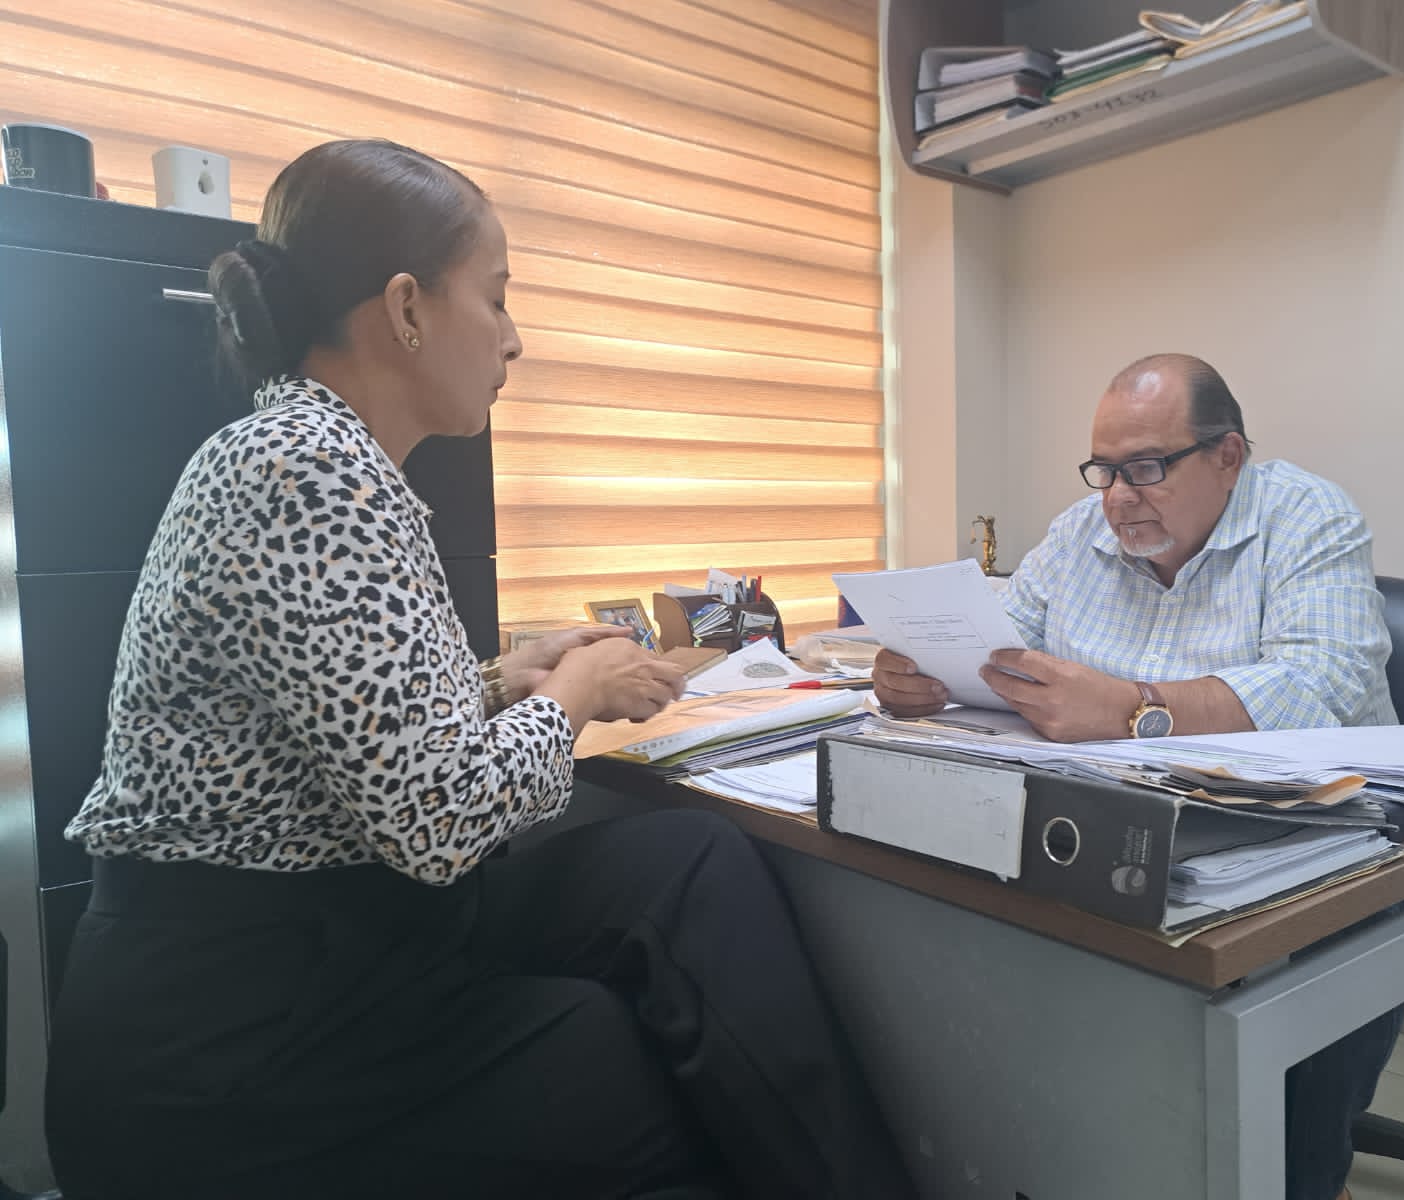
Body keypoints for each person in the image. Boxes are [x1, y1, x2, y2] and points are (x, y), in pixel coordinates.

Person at [45, 139, 915, 1200]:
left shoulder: (322, 457)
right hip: (231, 1041)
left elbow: (353, 728)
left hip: (329, 944)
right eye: (495, 298)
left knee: (685, 865)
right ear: (407, 307)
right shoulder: (308, 473)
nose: (513, 338)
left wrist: (507, 679)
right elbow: (436, 821)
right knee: (630, 1081)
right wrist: (573, 697)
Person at [874, 353, 1399, 1200]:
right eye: (1104, 470)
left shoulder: (1308, 517)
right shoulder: (1079, 533)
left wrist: (1131, 707)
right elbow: (1000, 644)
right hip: (1118, 834)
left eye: (1146, 468)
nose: (1118, 497)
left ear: (1227, 456)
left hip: (1304, 840)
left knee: (1277, 1146)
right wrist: (922, 671)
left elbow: (1322, 686)